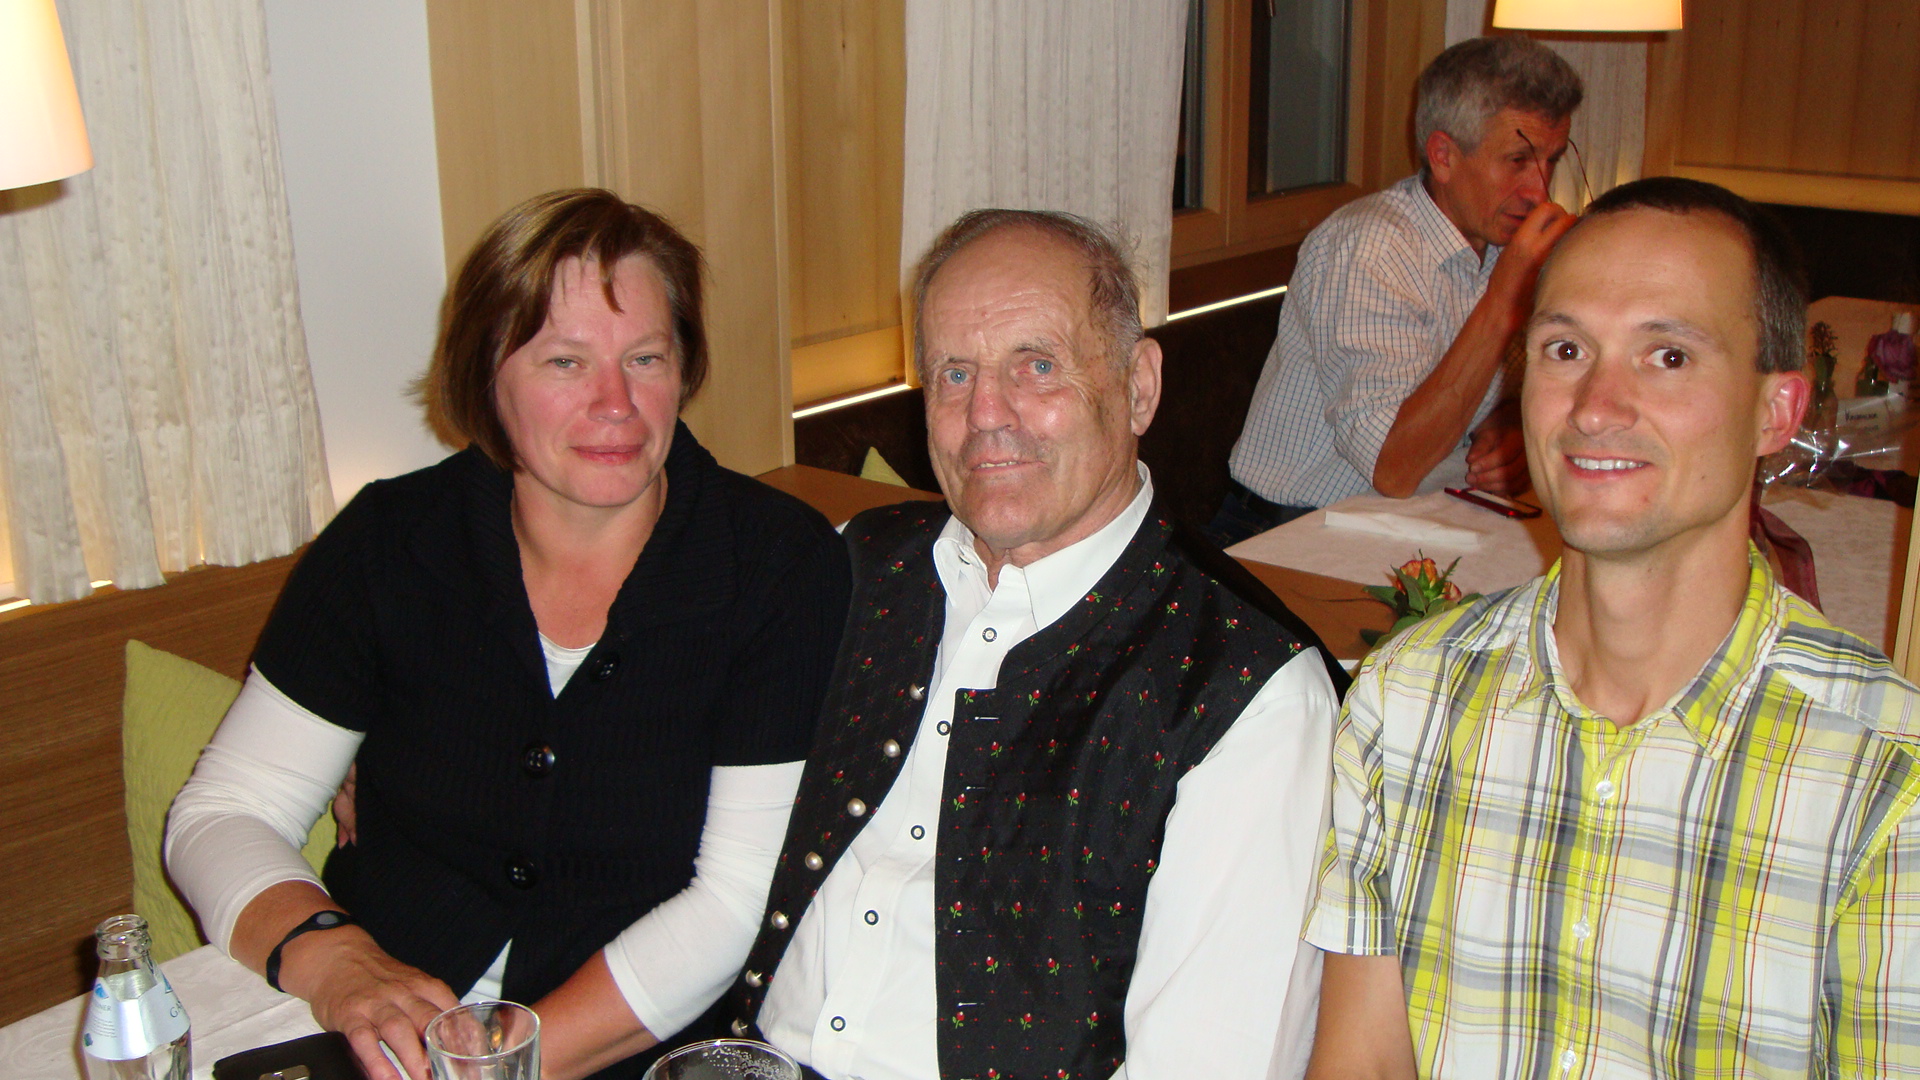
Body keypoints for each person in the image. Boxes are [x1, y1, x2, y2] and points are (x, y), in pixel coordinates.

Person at [166, 189, 852, 1080]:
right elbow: (226, 809)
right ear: (486, 375)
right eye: (566, 362)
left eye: (645, 358)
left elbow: (734, 901)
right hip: (374, 1038)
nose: (616, 404)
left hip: (632, 1050)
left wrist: (496, 1068)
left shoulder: (776, 565)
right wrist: (338, 961)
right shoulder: (391, 541)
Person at [1304, 177, 1920, 1078]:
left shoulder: (1884, 773)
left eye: (1668, 356)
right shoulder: (1406, 702)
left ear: (1776, 412)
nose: (1595, 406)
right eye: (1565, 349)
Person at [726, 209, 1346, 1080]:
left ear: (1139, 386)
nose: (986, 414)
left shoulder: (1249, 696)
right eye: (954, 374)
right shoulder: (855, 570)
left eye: (1037, 365)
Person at [1214, 36, 1583, 545]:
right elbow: (1394, 468)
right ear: (1443, 156)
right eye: (1518, 160)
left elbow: (1532, 383)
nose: (1539, 191)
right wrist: (1503, 302)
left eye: (1552, 160)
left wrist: (1507, 425)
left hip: (1428, 518)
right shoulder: (1371, 248)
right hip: (1292, 530)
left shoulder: (1507, 243)